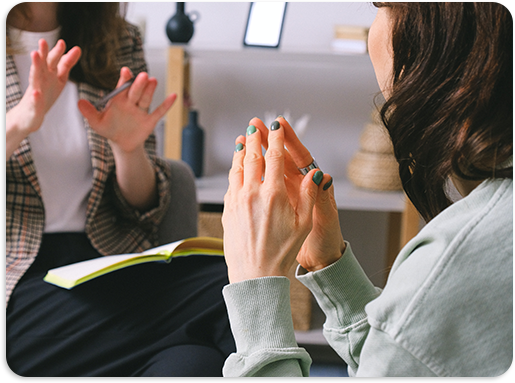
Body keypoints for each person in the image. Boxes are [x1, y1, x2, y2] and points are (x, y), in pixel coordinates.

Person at [221, 2, 512, 377]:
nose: (372, 31)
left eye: (381, 7)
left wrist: (254, 280)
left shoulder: (451, 262)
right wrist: (330, 267)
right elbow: (411, 359)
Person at [6, 2, 234, 377]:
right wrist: (20, 121)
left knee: (194, 365)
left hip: (106, 266)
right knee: (227, 288)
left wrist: (127, 149)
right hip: (20, 285)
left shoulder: (117, 38)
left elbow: (141, 207)